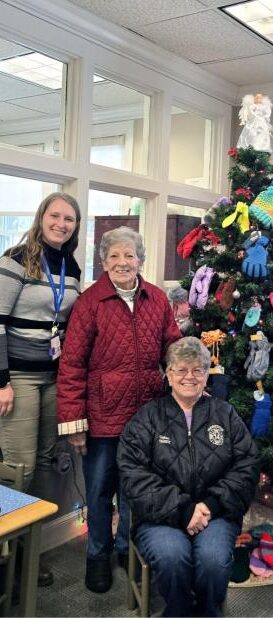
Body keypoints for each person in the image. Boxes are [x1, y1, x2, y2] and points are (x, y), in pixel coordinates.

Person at [57, 226, 182, 593]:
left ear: (140, 260)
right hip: (102, 416)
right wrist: (74, 422)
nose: (122, 262)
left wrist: (189, 378)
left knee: (136, 490)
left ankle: (128, 550)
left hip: (146, 416)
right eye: (114, 256)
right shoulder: (90, 302)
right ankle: (97, 555)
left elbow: (171, 348)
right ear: (103, 262)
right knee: (98, 492)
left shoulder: (157, 299)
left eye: (129, 255)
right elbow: (72, 364)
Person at [118, 337, 258, 617]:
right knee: (172, 558)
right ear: (168, 375)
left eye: (198, 370)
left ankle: (208, 612)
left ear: (207, 375)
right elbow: (133, 476)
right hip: (159, 517)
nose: (189, 377)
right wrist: (183, 509)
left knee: (213, 560)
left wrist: (209, 505)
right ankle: (179, 611)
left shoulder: (225, 414)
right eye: (181, 370)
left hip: (215, 514)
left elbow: (247, 464)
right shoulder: (147, 418)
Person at [0, 192, 82, 588]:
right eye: (55, 215)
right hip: (17, 377)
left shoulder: (71, 265)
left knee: (51, 461)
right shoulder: (16, 259)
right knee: (22, 465)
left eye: (69, 219)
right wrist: (0, 381)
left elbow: (69, 324)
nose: (61, 224)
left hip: (54, 376)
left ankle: (28, 554)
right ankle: (6, 557)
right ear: (42, 217)